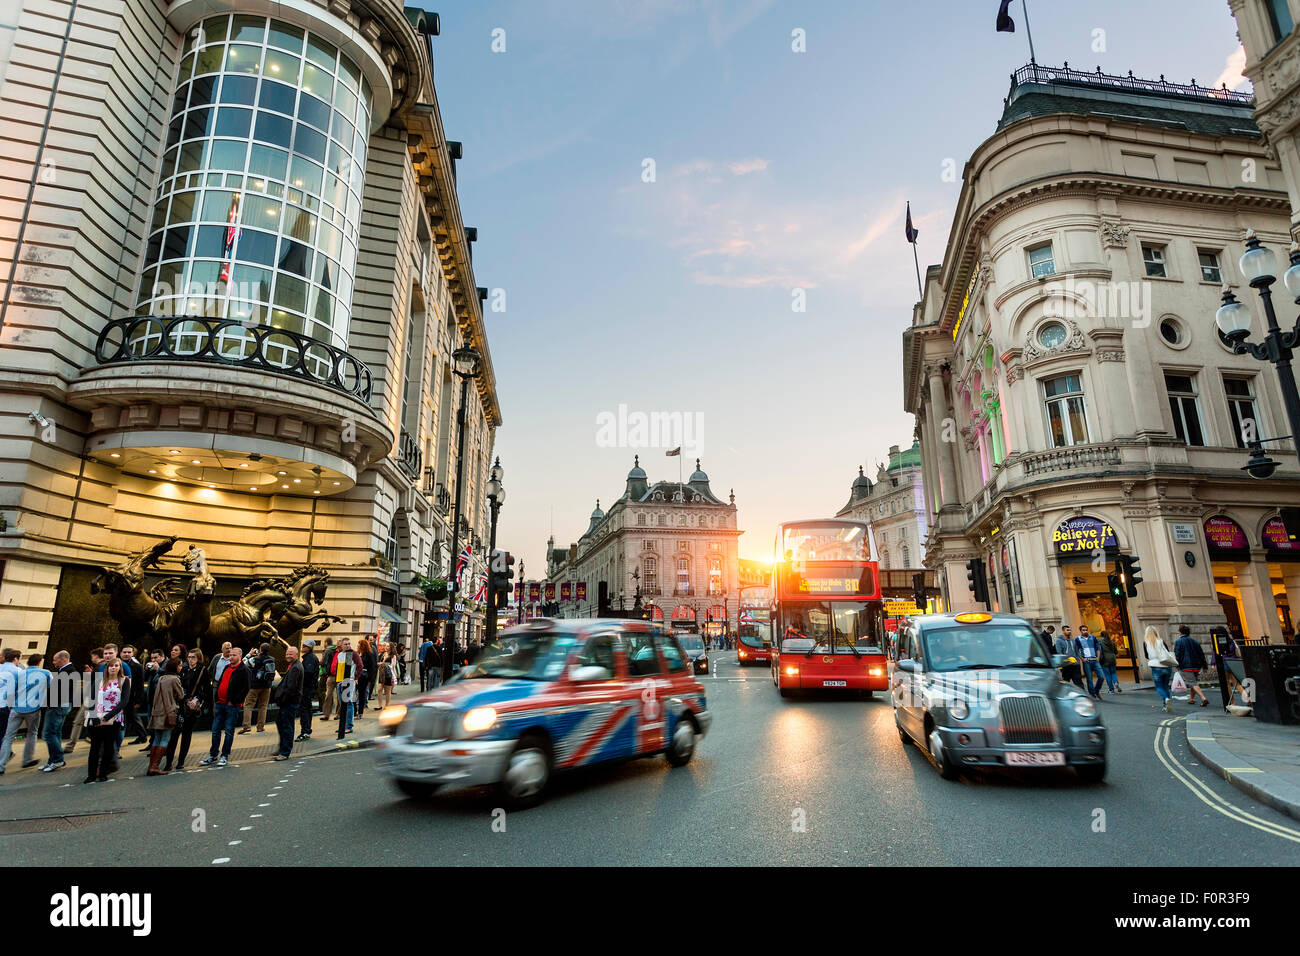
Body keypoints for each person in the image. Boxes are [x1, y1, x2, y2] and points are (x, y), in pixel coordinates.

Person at [201, 645, 249, 768]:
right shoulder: (227, 667)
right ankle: (213, 755)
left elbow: (246, 688)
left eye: (233, 655)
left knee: (228, 731)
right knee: (215, 730)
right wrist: (217, 698)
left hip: (232, 706)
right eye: (230, 655)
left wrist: (234, 701)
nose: (230, 657)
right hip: (220, 704)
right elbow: (220, 681)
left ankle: (224, 756)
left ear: (240, 656)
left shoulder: (244, 670)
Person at [0, 653, 48, 772]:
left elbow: (11, 690)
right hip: (33, 709)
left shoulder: (20, 673)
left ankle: (1, 765)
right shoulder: (45, 673)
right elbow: (51, 689)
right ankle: (27, 760)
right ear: (39, 662)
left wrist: (12, 706)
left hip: (16, 708)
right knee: (32, 733)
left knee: (8, 736)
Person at [85, 658, 130, 783]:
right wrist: (93, 716)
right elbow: (91, 699)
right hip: (97, 717)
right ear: (107, 668)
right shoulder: (99, 681)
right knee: (95, 747)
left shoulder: (124, 681)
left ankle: (103, 773)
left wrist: (109, 715)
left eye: (116, 666)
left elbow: (124, 701)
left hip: (113, 718)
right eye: (111, 666)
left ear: (120, 668)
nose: (113, 668)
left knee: (109, 747)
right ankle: (91, 775)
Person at [165, 648, 206, 772]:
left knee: (187, 734)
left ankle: (181, 762)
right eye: (189, 657)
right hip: (180, 704)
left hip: (191, 707)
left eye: (193, 657)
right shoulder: (183, 669)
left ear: (199, 658)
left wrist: (197, 698)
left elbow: (206, 690)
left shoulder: (202, 670)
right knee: (174, 735)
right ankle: (168, 762)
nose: (190, 659)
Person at [40, 650, 77, 773]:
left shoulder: (68, 672)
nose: (53, 662)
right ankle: (53, 759)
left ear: (63, 659)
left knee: (48, 733)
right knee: (56, 733)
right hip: (60, 706)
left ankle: (57, 760)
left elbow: (60, 692)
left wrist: (49, 704)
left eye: (55, 659)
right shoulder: (66, 671)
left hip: (58, 706)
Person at [146, 658, 183, 776]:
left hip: (157, 712)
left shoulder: (161, 678)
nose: (181, 667)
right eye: (180, 665)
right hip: (169, 712)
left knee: (156, 739)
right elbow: (181, 695)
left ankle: (151, 766)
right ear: (175, 667)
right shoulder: (175, 679)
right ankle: (155, 766)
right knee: (165, 739)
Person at [66, 647, 102, 754]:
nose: (91, 658)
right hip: (93, 698)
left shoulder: (100, 667)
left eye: (92, 656)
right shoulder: (100, 667)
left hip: (92, 699)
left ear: (96, 656)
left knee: (78, 721)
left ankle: (71, 745)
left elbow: (94, 683)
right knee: (84, 721)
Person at [273, 646, 303, 760]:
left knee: (287, 726)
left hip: (289, 702)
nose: (288, 656)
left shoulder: (296, 668)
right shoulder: (293, 666)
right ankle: (282, 748)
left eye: (291, 654)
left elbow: (291, 688)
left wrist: (281, 698)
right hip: (287, 702)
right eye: (287, 654)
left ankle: (285, 752)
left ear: (296, 654)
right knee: (280, 723)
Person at [240, 642, 276, 734]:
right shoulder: (272, 659)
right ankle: (260, 727)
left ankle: (247, 726)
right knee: (263, 706)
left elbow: (243, 663)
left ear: (260, 649)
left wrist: (249, 654)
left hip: (254, 686)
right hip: (267, 686)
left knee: (248, 705)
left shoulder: (255, 659)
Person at [1143, 625, 1178, 713]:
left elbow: (1146, 656)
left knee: (1159, 687)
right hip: (1166, 665)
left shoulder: (1146, 642)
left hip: (1156, 667)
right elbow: (1167, 652)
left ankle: (1166, 699)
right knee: (1165, 686)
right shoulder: (1161, 641)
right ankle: (1165, 705)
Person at [1174, 624, 1210, 708]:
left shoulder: (1178, 642)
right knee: (1193, 682)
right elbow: (1201, 654)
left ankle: (1203, 698)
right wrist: (1204, 667)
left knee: (1192, 682)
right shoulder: (1195, 642)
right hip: (1196, 666)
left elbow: (1177, 655)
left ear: (1180, 632)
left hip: (1186, 666)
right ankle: (1191, 699)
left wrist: (1177, 666)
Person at [119, 645, 147, 746]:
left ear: (133, 653)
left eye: (129, 652)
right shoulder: (117, 664)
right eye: (124, 652)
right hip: (118, 696)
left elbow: (140, 685)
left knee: (132, 717)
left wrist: (139, 700)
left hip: (131, 697)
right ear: (120, 652)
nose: (126, 654)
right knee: (131, 717)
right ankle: (142, 735)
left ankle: (142, 736)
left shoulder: (137, 666)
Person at [296, 639, 319, 741]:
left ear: (309, 648)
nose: (302, 647)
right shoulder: (309, 658)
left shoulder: (310, 658)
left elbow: (308, 673)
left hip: (306, 688)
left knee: (304, 709)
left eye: (304, 646)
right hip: (309, 688)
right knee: (307, 709)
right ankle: (307, 730)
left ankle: (305, 731)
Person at [1073, 625, 1105, 700]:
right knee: (1089, 679)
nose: (1085, 631)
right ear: (1080, 631)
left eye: (1086, 630)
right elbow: (1077, 650)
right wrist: (1082, 659)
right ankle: (1092, 694)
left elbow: (1098, 648)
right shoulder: (1078, 639)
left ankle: (1096, 690)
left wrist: (1098, 657)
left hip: (1095, 660)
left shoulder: (1093, 637)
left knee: (1101, 677)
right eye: (1083, 630)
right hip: (1086, 661)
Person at [357, 637, 377, 713]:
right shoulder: (358, 654)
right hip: (357, 676)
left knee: (361, 693)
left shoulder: (369, 655)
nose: (357, 646)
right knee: (356, 694)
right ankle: (356, 709)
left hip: (364, 677)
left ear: (362, 646)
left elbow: (372, 667)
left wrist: (370, 679)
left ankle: (360, 711)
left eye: (359, 644)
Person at [320, 640, 338, 721]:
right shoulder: (334, 651)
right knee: (332, 695)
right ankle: (332, 714)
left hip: (334, 676)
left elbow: (323, 662)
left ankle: (328, 714)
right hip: (333, 675)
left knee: (332, 696)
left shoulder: (328, 650)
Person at [377, 646, 396, 710]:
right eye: (386, 646)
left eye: (388, 646)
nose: (386, 647)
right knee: (379, 689)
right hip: (382, 673)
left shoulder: (393, 656)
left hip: (388, 674)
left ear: (391, 647)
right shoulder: (383, 654)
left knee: (387, 691)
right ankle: (379, 705)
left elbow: (393, 665)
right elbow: (378, 662)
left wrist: (393, 676)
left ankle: (387, 705)